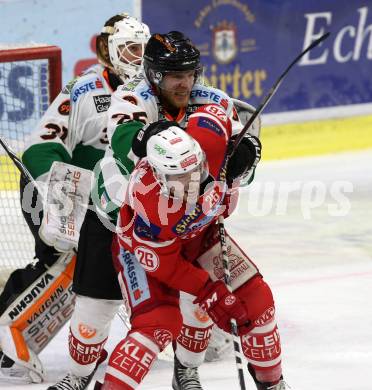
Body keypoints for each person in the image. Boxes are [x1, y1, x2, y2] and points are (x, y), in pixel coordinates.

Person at [94, 31, 285, 390]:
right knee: (157, 323)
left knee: (258, 302)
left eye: (190, 73)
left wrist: (246, 154)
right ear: (153, 75)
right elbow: (126, 143)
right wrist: (208, 289)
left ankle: (268, 383)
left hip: (195, 225)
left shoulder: (210, 101)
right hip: (142, 230)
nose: (185, 83)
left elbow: (234, 153)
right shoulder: (132, 101)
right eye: (174, 76)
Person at [0, 13, 150, 389]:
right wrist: (62, 199)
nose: (138, 56)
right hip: (55, 193)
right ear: (110, 51)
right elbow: (41, 147)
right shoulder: (84, 91)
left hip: (111, 204)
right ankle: (4, 333)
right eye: (131, 48)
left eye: (143, 49)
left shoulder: (153, 92)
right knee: (63, 262)